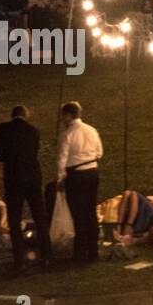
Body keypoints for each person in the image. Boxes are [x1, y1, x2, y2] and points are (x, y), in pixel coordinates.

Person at [0, 105, 52, 270]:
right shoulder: (34, 131)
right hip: (32, 177)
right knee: (40, 217)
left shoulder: (4, 129)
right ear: (26, 116)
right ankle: (47, 256)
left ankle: (19, 260)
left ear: (13, 116)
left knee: (14, 219)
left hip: (14, 178)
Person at [56, 101, 103, 263]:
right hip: (92, 171)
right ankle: (93, 249)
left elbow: (62, 158)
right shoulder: (91, 130)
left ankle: (80, 251)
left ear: (69, 114)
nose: (62, 118)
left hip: (76, 174)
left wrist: (60, 178)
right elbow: (99, 152)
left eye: (63, 115)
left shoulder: (67, 134)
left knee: (78, 213)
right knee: (90, 211)